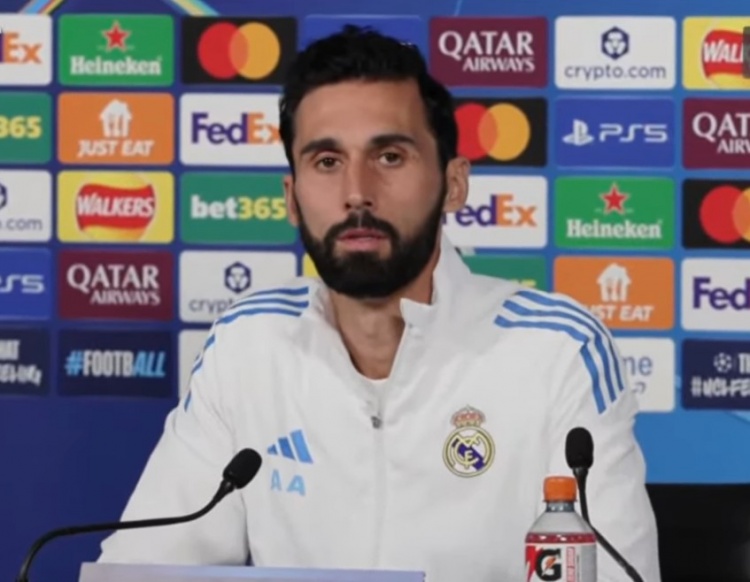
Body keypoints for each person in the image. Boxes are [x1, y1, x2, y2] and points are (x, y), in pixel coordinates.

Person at [98, 25, 661, 582]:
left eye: (389, 157)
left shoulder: (556, 351)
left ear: (454, 184)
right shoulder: (247, 345)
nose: (357, 192)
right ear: (291, 198)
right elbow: (139, 572)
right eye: (326, 161)